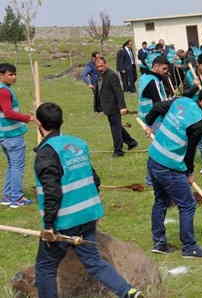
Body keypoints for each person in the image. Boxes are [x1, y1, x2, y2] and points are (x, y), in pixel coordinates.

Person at [33, 102, 142, 298]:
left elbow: (52, 193)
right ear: (61, 122)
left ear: (38, 123)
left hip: (64, 221)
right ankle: (129, 292)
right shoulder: (77, 144)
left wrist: (49, 226)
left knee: (45, 267)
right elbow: (95, 179)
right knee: (94, 263)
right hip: (89, 216)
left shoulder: (46, 153)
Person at [144, 88, 202, 258]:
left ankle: (159, 242)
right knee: (187, 204)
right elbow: (190, 150)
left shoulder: (181, 101)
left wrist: (148, 124)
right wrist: (189, 172)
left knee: (161, 201)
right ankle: (189, 247)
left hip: (154, 158)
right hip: (168, 165)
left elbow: (157, 107)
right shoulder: (200, 122)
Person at [0, 63, 34, 208]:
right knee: (17, 167)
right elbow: (8, 113)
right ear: (1, 75)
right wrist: (28, 118)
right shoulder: (4, 91)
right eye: (10, 74)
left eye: (14, 74)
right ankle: (16, 198)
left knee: (12, 165)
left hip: (4, 135)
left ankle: (8, 196)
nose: (14, 77)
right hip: (11, 136)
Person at [95, 57, 138, 157]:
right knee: (117, 127)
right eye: (97, 67)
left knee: (115, 129)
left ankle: (118, 151)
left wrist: (122, 107)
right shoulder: (101, 75)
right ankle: (131, 142)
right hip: (107, 107)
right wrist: (99, 107)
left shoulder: (112, 75)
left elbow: (119, 92)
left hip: (114, 107)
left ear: (106, 64)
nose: (100, 68)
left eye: (101, 66)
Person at [138, 56, 169, 125]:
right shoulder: (153, 80)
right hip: (154, 118)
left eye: (167, 69)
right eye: (164, 68)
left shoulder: (144, 76)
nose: (166, 71)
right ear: (156, 66)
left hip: (143, 113)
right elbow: (160, 103)